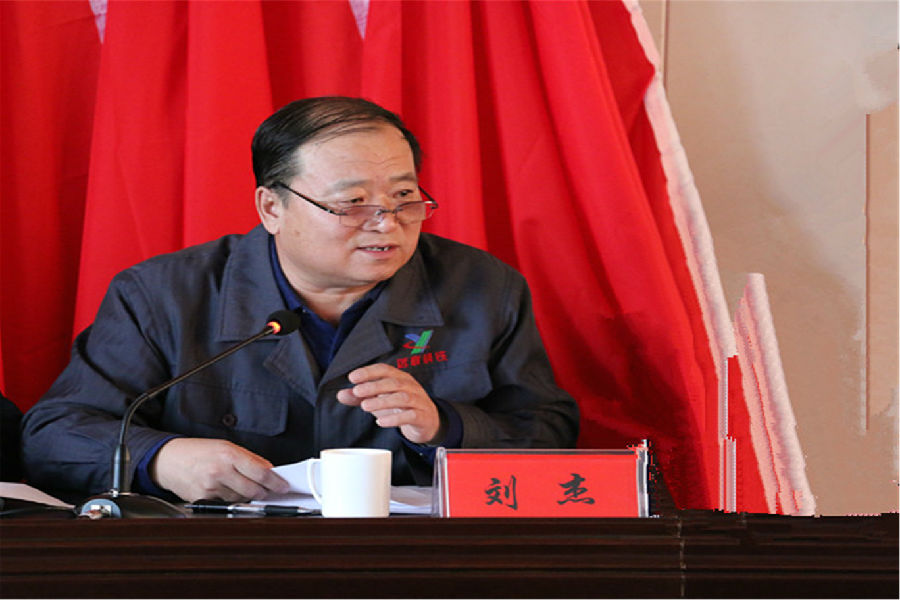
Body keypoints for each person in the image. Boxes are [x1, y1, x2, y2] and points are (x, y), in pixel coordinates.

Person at [21, 97, 579, 503]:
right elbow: (54, 433)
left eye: (405, 196)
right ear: (272, 208)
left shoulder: (482, 287)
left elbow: (549, 432)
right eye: (352, 202)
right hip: (215, 563)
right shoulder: (163, 295)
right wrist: (160, 459)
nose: (387, 222)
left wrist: (446, 427)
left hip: (410, 560)